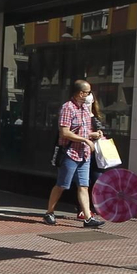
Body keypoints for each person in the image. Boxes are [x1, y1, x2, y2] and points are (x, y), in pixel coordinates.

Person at [44, 78, 104, 227]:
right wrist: (86, 140)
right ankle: (49, 212)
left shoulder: (84, 109)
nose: (90, 95)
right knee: (62, 185)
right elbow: (64, 132)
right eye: (88, 92)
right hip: (70, 153)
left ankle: (88, 218)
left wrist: (93, 135)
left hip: (84, 154)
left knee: (83, 186)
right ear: (80, 93)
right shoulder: (67, 108)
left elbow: (84, 131)